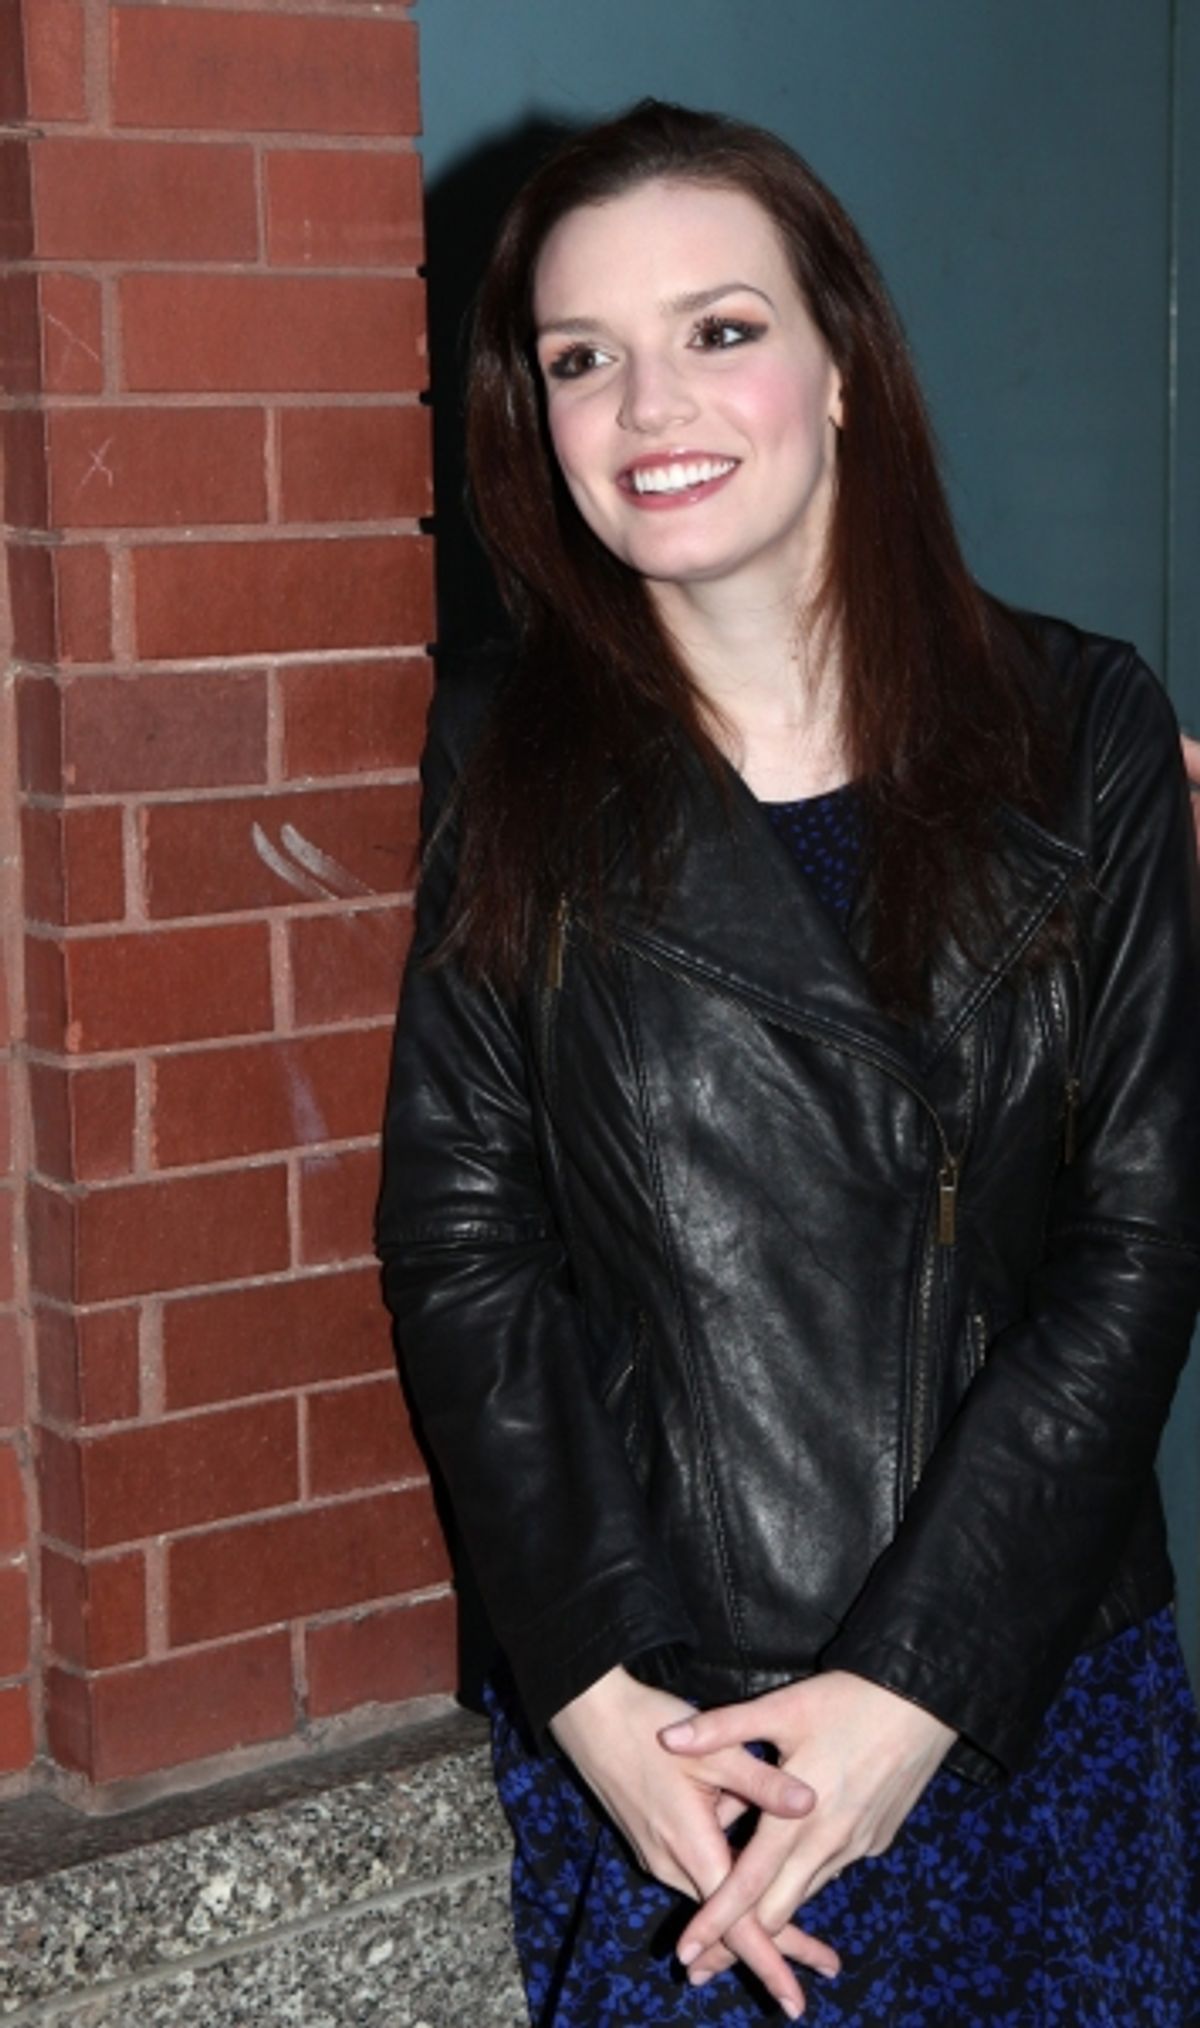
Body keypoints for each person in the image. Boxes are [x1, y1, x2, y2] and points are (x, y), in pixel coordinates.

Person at [377, 100, 1200, 2025]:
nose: (650, 405)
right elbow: (465, 1248)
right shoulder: (506, 759)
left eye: (720, 330)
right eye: (582, 359)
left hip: (1026, 1685)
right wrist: (596, 1694)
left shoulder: (1081, 725)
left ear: (843, 365)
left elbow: (1142, 1237)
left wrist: (918, 1686)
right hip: (674, 1735)